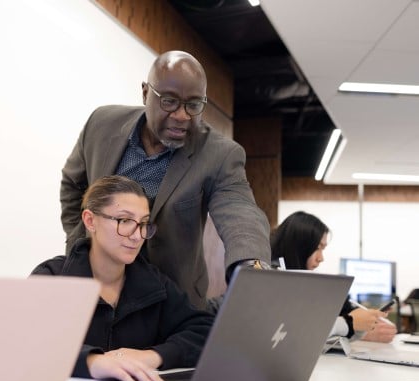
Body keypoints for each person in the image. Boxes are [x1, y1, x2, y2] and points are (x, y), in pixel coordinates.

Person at [60, 50, 271, 310]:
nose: (182, 115)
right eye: (169, 101)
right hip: (98, 289)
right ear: (146, 93)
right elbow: (73, 185)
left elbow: (241, 212)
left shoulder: (219, 154)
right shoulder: (102, 124)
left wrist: (251, 266)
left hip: (170, 301)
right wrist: (80, 243)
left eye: (193, 105)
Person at [32, 175, 213, 381]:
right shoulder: (52, 277)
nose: (137, 236)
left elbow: (205, 331)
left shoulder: (154, 284)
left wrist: (152, 356)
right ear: (90, 221)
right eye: (124, 221)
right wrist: (93, 361)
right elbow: (26, 342)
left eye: (143, 223)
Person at [271, 211, 396, 343]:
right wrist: (352, 326)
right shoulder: (273, 281)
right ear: (299, 246)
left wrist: (365, 321)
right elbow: (296, 332)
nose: (321, 258)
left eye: (322, 249)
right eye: (317, 248)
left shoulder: (309, 285)